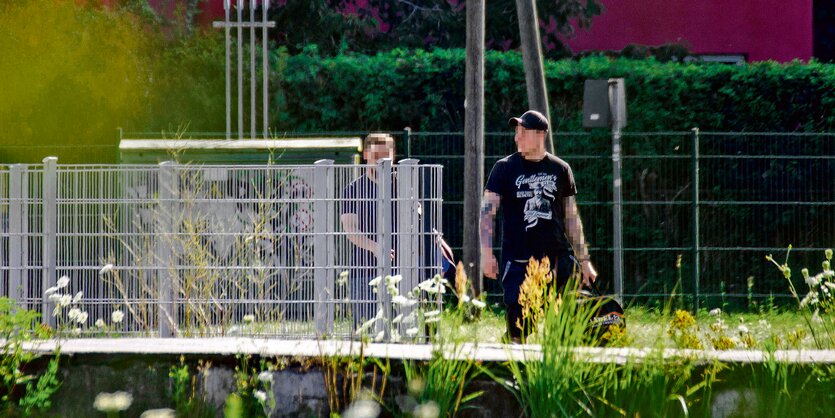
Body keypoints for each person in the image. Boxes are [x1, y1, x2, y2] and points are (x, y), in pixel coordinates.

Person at [480, 110, 598, 342]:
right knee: (519, 330)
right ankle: (513, 368)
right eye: (517, 132)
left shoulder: (560, 169)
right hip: (519, 261)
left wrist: (584, 260)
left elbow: (571, 217)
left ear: (540, 135)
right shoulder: (503, 168)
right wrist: (486, 254)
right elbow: (487, 214)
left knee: (570, 325)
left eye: (523, 132)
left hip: (558, 259)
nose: (517, 138)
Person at [340, 133, 397, 330]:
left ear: (393, 156)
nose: (381, 161)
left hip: (399, 272)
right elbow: (350, 229)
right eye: (376, 156)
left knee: (399, 331)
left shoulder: (405, 186)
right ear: (365, 155)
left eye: (386, 155)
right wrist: (375, 247)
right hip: (362, 271)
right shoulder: (353, 190)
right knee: (365, 330)